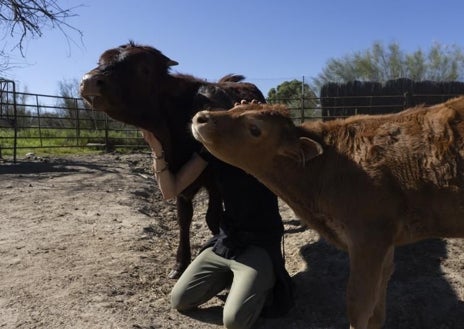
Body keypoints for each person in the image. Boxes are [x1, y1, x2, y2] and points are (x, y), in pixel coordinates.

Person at [142, 120, 294, 329]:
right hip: (227, 241)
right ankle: (229, 278)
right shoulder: (212, 150)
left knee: (234, 321)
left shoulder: (264, 149)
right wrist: (157, 150)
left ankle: (266, 281)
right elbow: (170, 191)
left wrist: (261, 123)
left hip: (259, 245)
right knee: (180, 300)